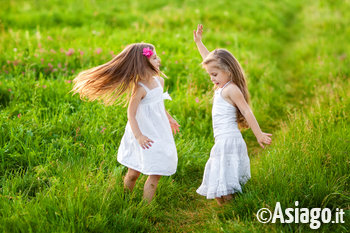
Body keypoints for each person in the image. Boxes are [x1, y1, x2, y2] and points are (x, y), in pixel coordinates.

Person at [71, 43, 180, 203]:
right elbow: (131, 113)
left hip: (158, 131)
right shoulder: (140, 88)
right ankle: (124, 199)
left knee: (156, 170)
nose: (159, 60)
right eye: (154, 58)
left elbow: (159, 104)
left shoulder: (159, 82)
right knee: (133, 173)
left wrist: (169, 118)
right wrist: (139, 136)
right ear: (144, 64)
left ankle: (145, 209)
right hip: (141, 132)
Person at [193, 24, 272, 205]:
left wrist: (258, 134)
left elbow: (246, 111)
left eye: (214, 74)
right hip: (221, 139)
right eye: (210, 74)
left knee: (226, 183)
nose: (212, 78)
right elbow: (209, 60)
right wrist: (199, 42)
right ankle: (226, 209)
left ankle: (232, 211)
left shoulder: (231, 89)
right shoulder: (222, 83)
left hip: (229, 140)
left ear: (227, 71)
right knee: (220, 183)